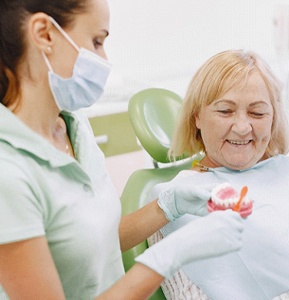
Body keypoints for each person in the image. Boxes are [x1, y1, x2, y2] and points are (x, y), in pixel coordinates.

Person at [0, 1, 246, 299]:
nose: (104, 58)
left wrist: (168, 206)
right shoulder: (8, 171)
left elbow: (91, 243)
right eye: (97, 41)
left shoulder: (73, 126)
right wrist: (167, 256)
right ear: (45, 34)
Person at [147, 49, 289, 300]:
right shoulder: (173, 202)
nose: (242, 127)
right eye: (225, 111)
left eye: (257, 113)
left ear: (273, 118)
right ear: (197, 116)